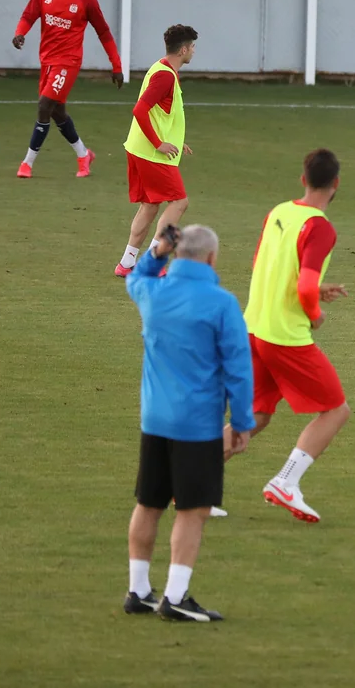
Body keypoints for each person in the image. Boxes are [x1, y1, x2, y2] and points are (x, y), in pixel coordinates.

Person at [123, 224, 254, 622]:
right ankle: (175, 598)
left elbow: (136, 276)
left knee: (148, 504)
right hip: (196, 424)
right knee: (193, 510)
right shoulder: (221, 303)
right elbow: (238, 369)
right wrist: (243, 422)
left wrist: (156, 251)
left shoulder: (153, 293)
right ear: (212, 258)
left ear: (175, 253)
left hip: (155, 418)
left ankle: (139, 590)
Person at [229, 149, 349, 524]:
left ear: (303, 179)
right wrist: (314, 313)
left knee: (257, 417)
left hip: (255, 327)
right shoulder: (320, 227)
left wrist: (313, 288)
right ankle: (285, 482)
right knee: (335, 410)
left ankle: (185, 484)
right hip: (284, 336)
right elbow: (304, 285)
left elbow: (265, 266)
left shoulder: (278, 211)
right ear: (336, 184)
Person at [12, 0, 123, 178]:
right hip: (47, 61)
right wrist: (20, 33)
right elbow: (28, 15)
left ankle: (27, 163)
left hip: (68, 62)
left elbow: (104, 33)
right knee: (57, 113)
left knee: (44, 105)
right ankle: (84, 155)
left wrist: (117, 66)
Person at [114, 25, 199, 277]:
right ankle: (153, 261)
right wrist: (159, 143)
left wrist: (174, 139)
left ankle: (127, 263)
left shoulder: (160, 67)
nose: (194, 51)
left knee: (150, 205)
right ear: (183, 49)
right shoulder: (165, 76)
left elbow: (160, 113)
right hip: (152, 153)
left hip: (139, 148)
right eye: (192, 47)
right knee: (179, 202)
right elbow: (140, 110)